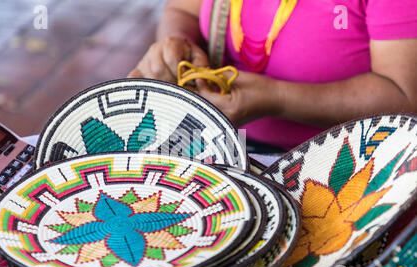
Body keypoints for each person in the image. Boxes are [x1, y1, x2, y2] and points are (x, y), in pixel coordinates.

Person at [128, 0, 417, 152]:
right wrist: (177, 42)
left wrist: (276, 99)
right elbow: (182, 9)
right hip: (228, 148)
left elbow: (404, 95)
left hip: (342, 165)